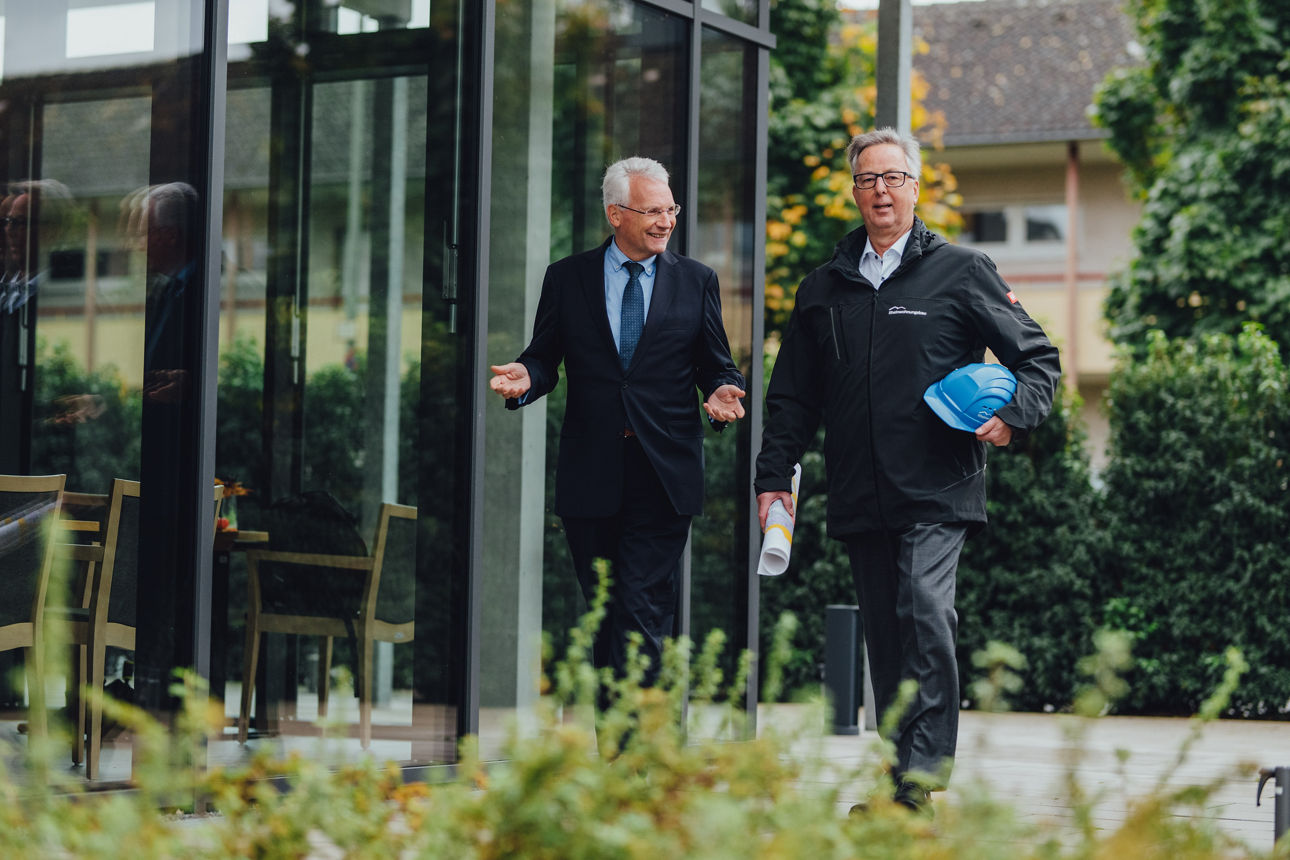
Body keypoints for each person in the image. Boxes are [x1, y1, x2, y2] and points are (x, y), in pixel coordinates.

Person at [755, 128, 1061, 814]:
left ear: (915, 187)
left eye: (893, 178)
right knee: (888, 641)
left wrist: (1015, 413)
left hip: (939, 486)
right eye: (868, 180)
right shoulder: (822, 287)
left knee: (925, 610)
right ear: (855, 191)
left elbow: (1038, 359)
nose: (881, 191)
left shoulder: (962, 270)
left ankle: (922, 775)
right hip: (861, 491)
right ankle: (902, 791)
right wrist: (773, 475)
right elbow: (793, 398)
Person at [489, 156, 746, 708]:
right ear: (615, 214)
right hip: (592, 476)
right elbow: (544, 357)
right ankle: (625, 761)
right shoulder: (567, 278)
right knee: (607, 615)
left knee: (640, 608)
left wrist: (722, 390)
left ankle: (636, 763)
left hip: (664, 475)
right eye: (652, 210)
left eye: (670, 209)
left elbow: (715, 363)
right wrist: (524, 377)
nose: (666, 221)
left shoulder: (696, 280)